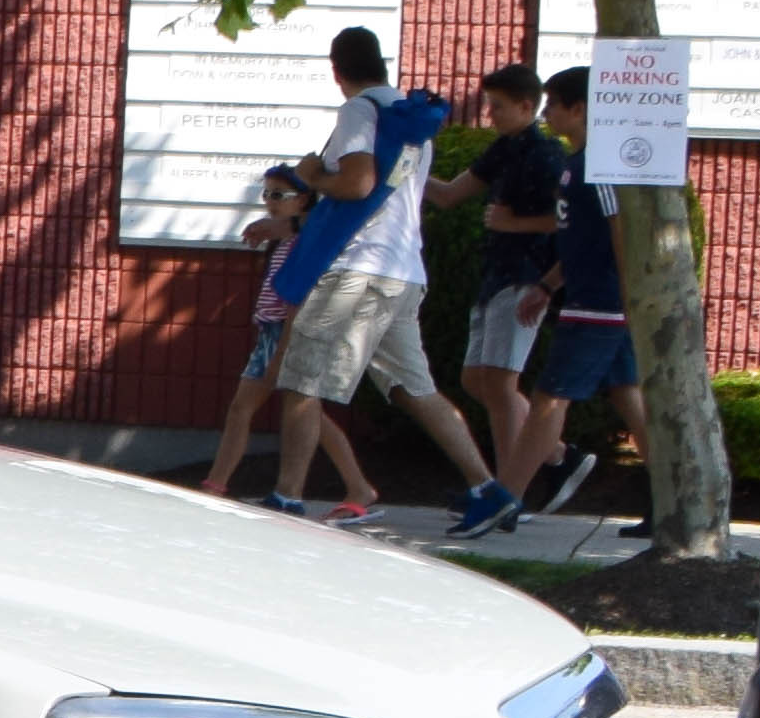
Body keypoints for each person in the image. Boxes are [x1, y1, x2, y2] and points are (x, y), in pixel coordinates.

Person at [266, 28, 522, 532]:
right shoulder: (412, 120)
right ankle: (487, 490)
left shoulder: (360, 112)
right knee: (413, 388)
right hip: (404, 271)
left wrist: (313, 175)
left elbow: (357, 182)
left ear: (336, 70)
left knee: (300, 380)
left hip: (356, 269)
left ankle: (286, 501)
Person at [509, 65, 653, 517]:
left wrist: (630, 297)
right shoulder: (577, 164)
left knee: (550, 397)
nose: (547, 112)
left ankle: (503, 499)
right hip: (588, 296)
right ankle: (672, 500)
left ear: (580, 108)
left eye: (553, 104)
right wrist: (550, 284)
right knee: (628, 394)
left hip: (601, 305)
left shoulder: (602, 165)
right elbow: (582, 239)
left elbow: (620, 231)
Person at [201, 165, 380, 509]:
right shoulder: (283, 240)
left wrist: (282, 352)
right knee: (303, 415)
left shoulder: (305, 243)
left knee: (247, 408)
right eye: (266, 194)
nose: (270, 202)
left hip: (288, 331)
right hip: (271, 330)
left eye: (279, 195)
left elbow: (300, 299)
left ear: (303, 201)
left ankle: (216, 485)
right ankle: (358, 486)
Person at [429, 63, 567, 473]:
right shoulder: (504, 148)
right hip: (495, 274)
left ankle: (508, 488)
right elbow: (452, 194)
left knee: (501, 383)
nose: (489, 115)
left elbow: (566, 220)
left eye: (497, 107)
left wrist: (513, 224)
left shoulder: (547, 155)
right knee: (476, 379)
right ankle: (556, 451)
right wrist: (404, 173)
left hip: (527, 275)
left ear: (526, 106)